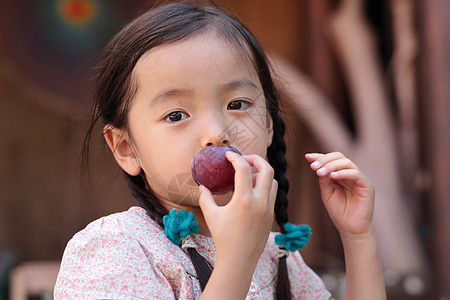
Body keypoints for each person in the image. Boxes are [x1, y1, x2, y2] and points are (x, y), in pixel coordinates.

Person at [54, 2, 386, 299]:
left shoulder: (278, 257)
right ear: (127, 149)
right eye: (176, 115)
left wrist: (357, 238)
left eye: (237, 104)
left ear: (269, 125)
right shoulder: (115, 250)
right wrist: (238, 259)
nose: (216, 133)